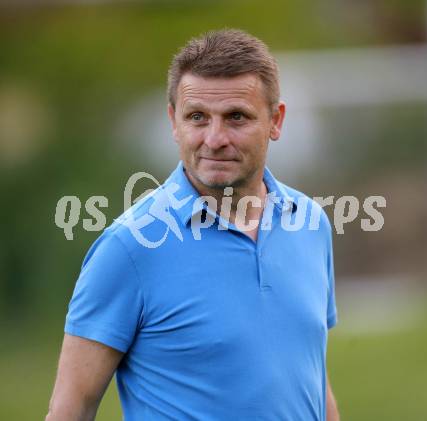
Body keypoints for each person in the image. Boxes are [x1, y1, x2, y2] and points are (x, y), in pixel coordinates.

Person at [46, 29, 340, 421]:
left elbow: (311, 376)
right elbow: (70, 410)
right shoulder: (130, 248)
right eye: (198, 117)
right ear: (174, 120)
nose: (215, 139)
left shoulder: (310, 224)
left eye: (236, 117)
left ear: (275, 120)